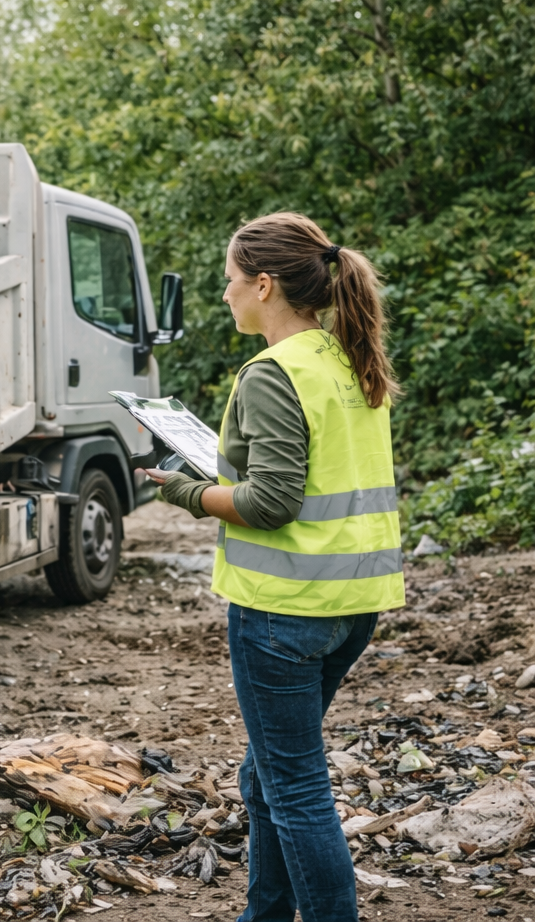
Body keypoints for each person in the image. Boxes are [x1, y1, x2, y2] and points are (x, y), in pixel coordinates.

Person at [140, 212, 404, 922]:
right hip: (352, 607)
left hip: (283, 612)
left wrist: (186, 491)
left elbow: (272, 502)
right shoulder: (346, 358)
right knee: (266, 777)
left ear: (263, 285)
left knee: (294, 787)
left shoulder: (272, 373)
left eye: (230, 280)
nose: (224, 293)